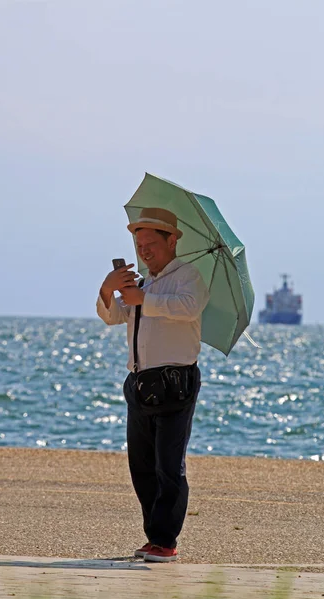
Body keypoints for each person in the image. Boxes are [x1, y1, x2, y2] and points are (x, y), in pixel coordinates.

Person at [96, 207, 209, 562]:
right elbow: (114, 317)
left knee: (169, 465)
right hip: (141, 383)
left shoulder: (189, 276)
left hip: (176, 383)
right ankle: (154, 536)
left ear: (172, 240)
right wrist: (108, 290)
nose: (144, 251)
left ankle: (166, 541)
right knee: (141, 465)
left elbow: (189, 308)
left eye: (150, 244)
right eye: (139, 244)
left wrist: (146, 300)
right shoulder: (141, 284)